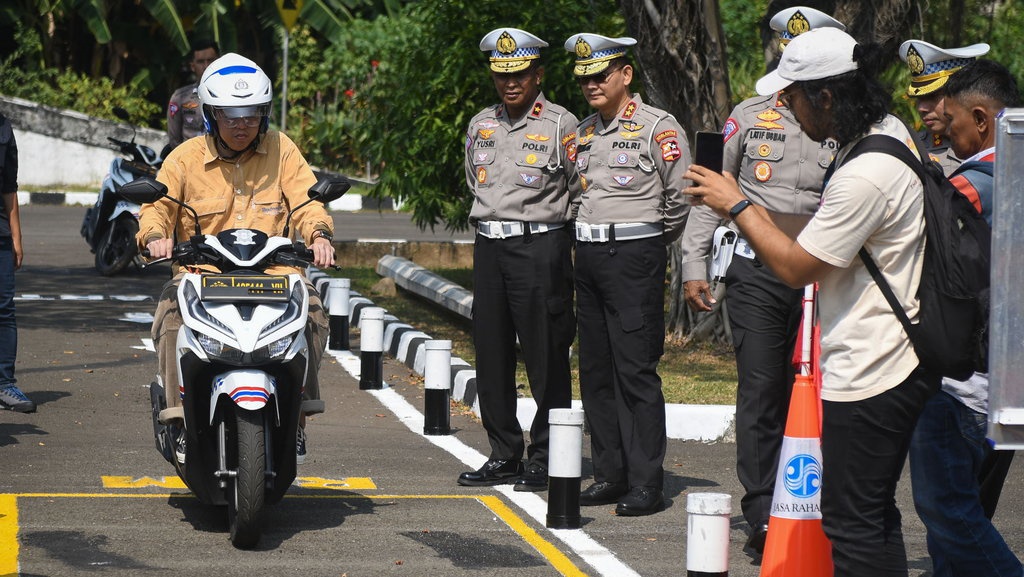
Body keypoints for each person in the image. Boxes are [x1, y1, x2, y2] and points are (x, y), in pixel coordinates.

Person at [685, 27, 937, 575]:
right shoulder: (885, 135)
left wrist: (736, 205)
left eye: (792, 95)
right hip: (885, 358)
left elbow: (799, 265)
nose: (785, 107)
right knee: (871, 514)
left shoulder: (866, 171)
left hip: (875, 367)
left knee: (851, 522)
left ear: (826, 96)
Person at [678, 5, 843, 554]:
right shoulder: (747, 116)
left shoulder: (845, 119)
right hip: (757, 271)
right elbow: (710, 191)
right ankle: (764, 509)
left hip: (827, 272)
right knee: (762, 387)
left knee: (832, 390)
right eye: (783, 48)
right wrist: (694, 264)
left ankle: (826, 504)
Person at [138, 53, 334, 464]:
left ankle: (296, 420)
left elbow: (307, 202)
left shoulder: (282, 149)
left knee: (314, 313)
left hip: (275, 274)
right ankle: (180, 423)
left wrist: (318, 236)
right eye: (231, 115)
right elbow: (157, 206)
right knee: (170, 317)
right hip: (202, 275)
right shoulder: (184, 157)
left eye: (252, 114)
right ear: (211, 115)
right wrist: (155, 236)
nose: (242, 125)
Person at [564, 33, 689, 516]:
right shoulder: (584, 132)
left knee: (635, 369)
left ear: (625, 75)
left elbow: (680, 199)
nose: (591, 85)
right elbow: (579, 196)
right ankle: (610, 473)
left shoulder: (659, 127)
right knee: (595, 370)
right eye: (584, 79)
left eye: (600, 76)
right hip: (590, 257)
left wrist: (652, 243)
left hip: (635, 255)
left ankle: (646, 482)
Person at [908, 59, 1023, 577]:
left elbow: (919, 235)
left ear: (981, 119)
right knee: (966, 510)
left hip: (968, 378)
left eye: (950, 120)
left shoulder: (980, 182)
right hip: (1006, 375)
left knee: (946, 509)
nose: (944, 131)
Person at [456, 28, 577, 492]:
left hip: (539, 246)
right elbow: (475, 180)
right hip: (490, 245)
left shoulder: (561, 123)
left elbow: (575, 187)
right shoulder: (480, 124)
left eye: (521, 74)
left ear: (538, 75)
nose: (511, 83)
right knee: (491, 351)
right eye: (502, 74)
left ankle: (545, 455)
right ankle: (504, 452)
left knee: (545, 352)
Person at [898, 39, 990, 176]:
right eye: (919, 99)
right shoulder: (913, 149)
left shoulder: (1001, 143)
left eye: (933, 96)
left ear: (965, 92)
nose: (921, 108)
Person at [0, 113, 34, 413]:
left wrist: (16, 237)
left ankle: (5, 383)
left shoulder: (3, 128)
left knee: (4, 308)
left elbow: (9, 187)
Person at [167, 39, 220, 149]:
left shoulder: (232, 95)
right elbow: (174, 140)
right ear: (192, 66)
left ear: (218, 62)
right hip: (190, 161)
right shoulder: (179, 98)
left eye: (210, 60)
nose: (206, 66)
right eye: (200, 62)